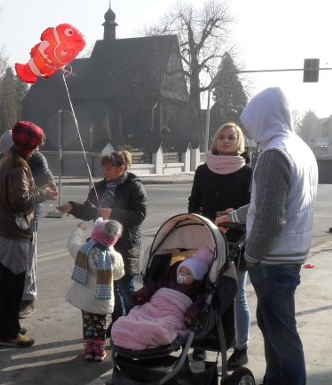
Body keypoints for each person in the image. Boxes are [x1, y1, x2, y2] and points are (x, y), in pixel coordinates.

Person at [214, 87, 317, 385]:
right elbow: (270, 205)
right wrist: (236, 215)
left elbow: (272, 218)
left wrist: (253, 256)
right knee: (273, 326)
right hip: (288, 253)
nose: (251, 129)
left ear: (264, 117)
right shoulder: (297, 148)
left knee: (282, 331)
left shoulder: (274, 154)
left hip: (274, 258)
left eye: (251, 121)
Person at [188, 122, 253, 368]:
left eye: (231, 137)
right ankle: (201, 342)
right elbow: (194, 202)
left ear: (239, 143)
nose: (226, 141)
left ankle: (241, 346)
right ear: (215, 141)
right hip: (207, 238)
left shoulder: (247, 172)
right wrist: (197, 224)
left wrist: (233, 216)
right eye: (222, 137)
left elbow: (252, 206)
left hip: (237, 240)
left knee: (237, 296)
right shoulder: (203, 170)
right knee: (203, 292)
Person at [0, 121, 58, 347]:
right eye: (36, 145)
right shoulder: (18, 166)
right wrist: (43, 193)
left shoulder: (9, 158)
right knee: (13, 283)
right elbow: (21, 202)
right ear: (29, 144)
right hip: (12, 232)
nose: (38, 149)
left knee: (7, 280)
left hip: (0, 229)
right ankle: (9, 333)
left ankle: (2, 323)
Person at [57, 150, 148, 326]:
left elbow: (139, 215)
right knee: (109, 289)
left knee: (126, 289)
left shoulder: (134, 187)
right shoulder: (99, 188)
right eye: (104, 168)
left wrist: (113, 213)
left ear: (121, 168)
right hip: (101, 246)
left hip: (125, 245)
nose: (105, 172)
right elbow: (89, 210)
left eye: (109, 169)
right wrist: (72, 207)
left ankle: (133, 324)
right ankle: (116, 323)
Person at [111, 246, 214, 351]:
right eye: (181, 271)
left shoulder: (195, 292)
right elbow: (151, 287)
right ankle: (131, 327)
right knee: (138, 313)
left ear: (197, 278)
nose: (182, 274)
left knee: (168, 323)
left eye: (188, 274)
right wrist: (141, 295)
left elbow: (196, 306)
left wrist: (189, 316)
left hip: (174, 311)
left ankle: (154, 331)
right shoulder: (166, 282)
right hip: (155, 305)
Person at [65, 219, 125, 361]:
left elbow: (71, 243)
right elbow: (119, 275)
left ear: (95, 235)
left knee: (88, 323)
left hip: (85, 298)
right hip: (102, 299)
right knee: (100, 324)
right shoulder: (115, 257)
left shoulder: (83, 250)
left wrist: (79, 229)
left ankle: (88, 350)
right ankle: (99, 352)